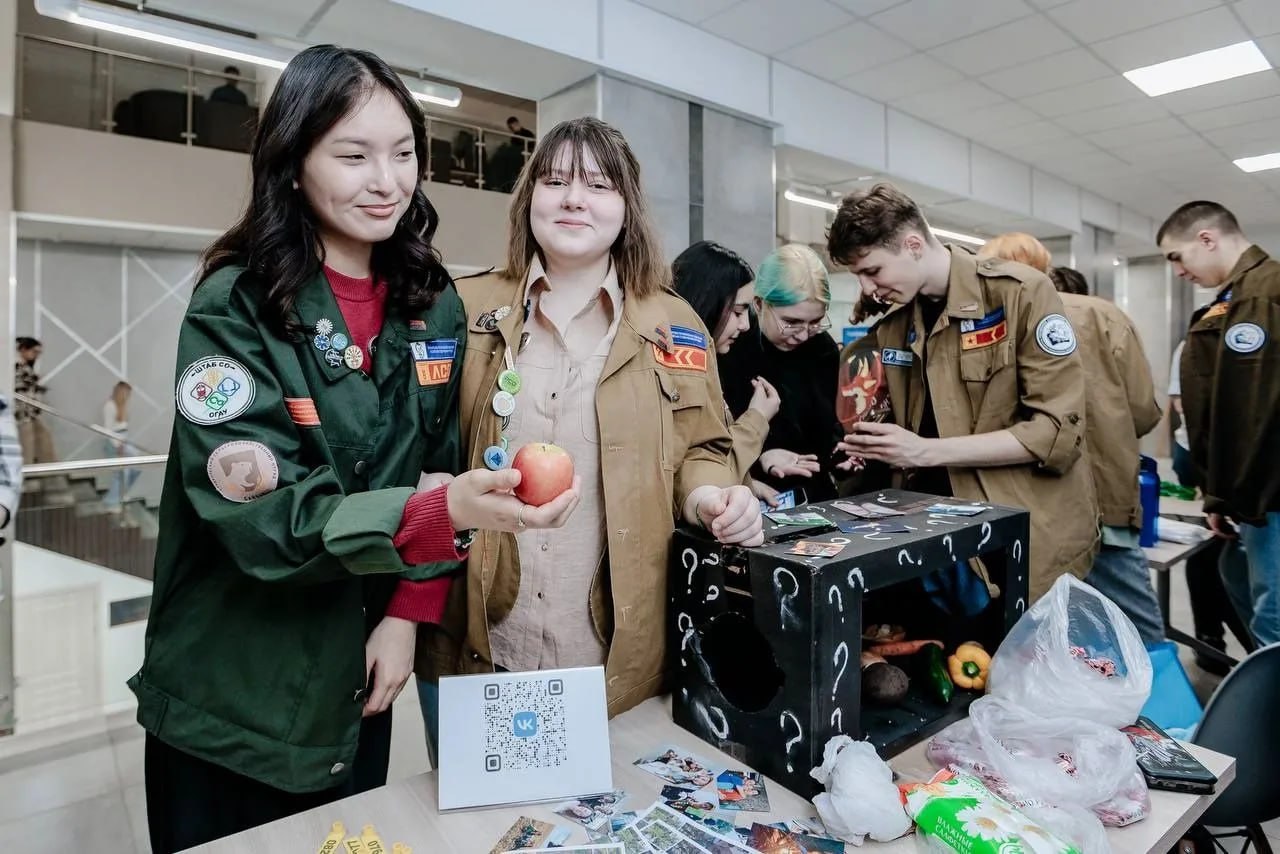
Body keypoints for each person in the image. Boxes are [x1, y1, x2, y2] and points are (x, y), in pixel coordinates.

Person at [128, 45, 577, 853]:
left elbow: (436, 460)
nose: (387, 181)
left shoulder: (430, 304)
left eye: (403, 152)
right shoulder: (236, 307)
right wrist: (437, 511)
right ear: (292, 163)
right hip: (231, 685)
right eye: (353, 154)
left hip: (357, 676)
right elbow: (263, 517)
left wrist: (407, 613)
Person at [417, 117, 763, 755]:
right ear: (529, 202)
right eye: (554, 181)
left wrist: (713, 497)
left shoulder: (675, 325)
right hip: (478, 642)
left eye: (599, 185)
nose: (574, 198)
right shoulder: (461, 309)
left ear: (627, 207)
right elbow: (417, 458)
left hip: (612, 657)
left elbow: (705, 449)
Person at [827, 184, 1097, 602]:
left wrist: (924, 451)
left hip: (1015, 535)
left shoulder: (1019, 295)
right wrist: (872, 449)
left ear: (913, 245)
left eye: (873, 271)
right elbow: (908, 422)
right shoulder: (895, 324)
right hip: (933, 538)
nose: (867, 289)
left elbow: (1055, 432)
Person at [980, 236, 1164, 644]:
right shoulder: (1103, 315)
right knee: (1137, 629)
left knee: (1045, 635)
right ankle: (1168, 706)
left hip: (1034, 507)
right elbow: (1144, 412)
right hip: (1105, 496)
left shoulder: (993, 323)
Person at [1157, 200, 1280, 645]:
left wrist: (1234, 496)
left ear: (1206, 239)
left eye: (1177, 256)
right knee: (1233, 576)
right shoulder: (1234, 297)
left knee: (1273, 617)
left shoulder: (1262, 293)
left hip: (1268, 492)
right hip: (1253, 491)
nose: (1178, 271)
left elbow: (1254, 413)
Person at [717, 244, 840, 504]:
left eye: (815, 322)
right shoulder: (730, 348)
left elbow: (825, 430)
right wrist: (760, 460)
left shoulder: (823, 349)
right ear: (759, 303)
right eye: (792, 322)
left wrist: (840, 455)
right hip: (749, 495)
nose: (804, 334)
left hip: (816, 498)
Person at [1169, 340, 1255, 674]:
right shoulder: (1197, 339)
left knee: (1231, 557)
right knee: (1208, 546)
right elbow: (1181, 403)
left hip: (1246, 464)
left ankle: (1243, 649)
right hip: (1201, 455)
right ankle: (1212, 642)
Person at [672, 240, 783, 494]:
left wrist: (749, 485)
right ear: (706, 302)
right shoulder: (683, 378)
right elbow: (703, 470)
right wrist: (756, 420)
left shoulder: (708, 365)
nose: (744, 326)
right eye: (737, 311)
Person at [14, 337, 55, 466]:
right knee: (27, 447)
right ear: (23, 350)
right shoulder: (17, 367)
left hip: (31, 413)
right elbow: (19, 389)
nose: (36, 355)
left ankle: (48, 475)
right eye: (34, 351)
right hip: (23, 414)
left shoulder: (25, 367)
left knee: (42, 441)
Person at [101, 381, 140, 511]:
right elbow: (107, 430)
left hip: (124, 440)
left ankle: (121, 495)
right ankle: (111, 502)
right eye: (127, 393)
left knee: (136, 468)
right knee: (122, 472)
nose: (129, 396)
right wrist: (118, 445)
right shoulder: (110, 405)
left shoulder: (121, 406)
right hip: (115, 442)